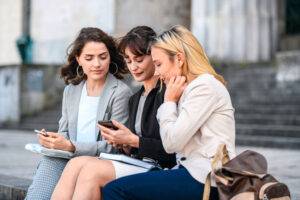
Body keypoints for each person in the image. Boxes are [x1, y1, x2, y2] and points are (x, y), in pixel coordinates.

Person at [102, 25, 236, 200]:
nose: (157, 72)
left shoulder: (204, 87)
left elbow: (171, 143)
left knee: (115, 190)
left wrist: (169, 101)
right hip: (191, 171)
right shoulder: (190, 88)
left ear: (179, 59)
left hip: (208, 178)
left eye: (158, 64)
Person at [51, 26, 176, 200]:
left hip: (161, 168)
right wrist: (124, 144)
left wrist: (131, 141)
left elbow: (172, 149)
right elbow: (135, 146)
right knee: (75, 163)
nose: (134, 67)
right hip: (137, 162)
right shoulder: (136, 97)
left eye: (139, 60)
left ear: (154, 57)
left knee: (91, 172)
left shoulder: (167, 93)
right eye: (129, 60)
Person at [25, 27, 132, 200]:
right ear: (78, 59)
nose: (97, 64)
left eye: (103, 57)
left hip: (100, 161)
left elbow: (114, 146)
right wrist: (54, 141)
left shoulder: (120, 92)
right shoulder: (71, 91)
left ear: (110, 57)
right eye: (89, 58)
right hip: (68, 156)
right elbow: (64, 131)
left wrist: (72, 146)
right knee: (41, 184)